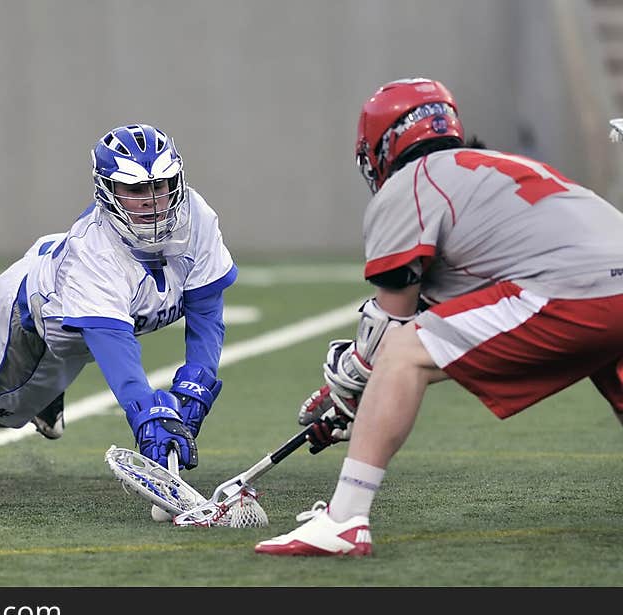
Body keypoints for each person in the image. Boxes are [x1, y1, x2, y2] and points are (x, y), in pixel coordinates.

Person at [255, 77, 623, 556]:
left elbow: (392, 330)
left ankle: (344, 520)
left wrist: (349, 391)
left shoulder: (413, 182)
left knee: (404, 354)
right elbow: (462, 302)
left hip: (572, 289)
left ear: (384, 144)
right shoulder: (503, 167)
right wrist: (353, 400)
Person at [0, 123, 236, 472]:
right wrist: (146, 414)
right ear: (107, 190)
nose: (153, 201)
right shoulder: (93, 253)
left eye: (160, 185)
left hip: (84, 322)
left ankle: (47, 393)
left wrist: (197, 385)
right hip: (30, 317)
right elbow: (116, 350)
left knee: (64, 361)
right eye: (135, 188)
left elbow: (206, 310)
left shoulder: (197, 216)